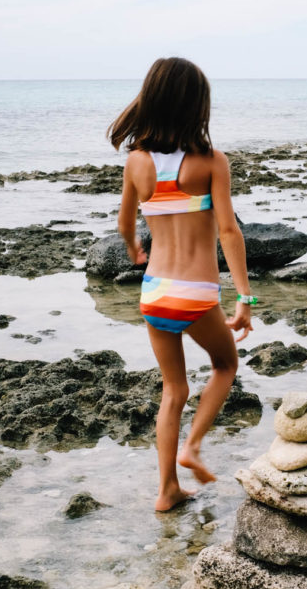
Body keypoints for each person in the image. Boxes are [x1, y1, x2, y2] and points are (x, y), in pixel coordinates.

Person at [109, 57, 255, 512]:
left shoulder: (137, 161)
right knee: (225, 366)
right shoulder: (211, 161)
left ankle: (167, 490)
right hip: (194, 292)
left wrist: (136, 250)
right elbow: (229, 232)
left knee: (173, 392)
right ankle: (192, 446)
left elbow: (124, 225)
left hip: (154, 293)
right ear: (197, 105)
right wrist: (245, 298)